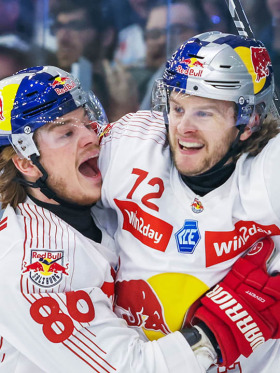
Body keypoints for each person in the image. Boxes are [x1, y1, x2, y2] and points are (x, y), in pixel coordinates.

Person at [0, 65, 221, 372]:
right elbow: (130, 368)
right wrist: (218, 330)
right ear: (26, 162)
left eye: (87, 121)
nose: (91, 136)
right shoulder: (30, 271)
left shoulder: (93, 200)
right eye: (66, 132)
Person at [92, 31, 280, 372]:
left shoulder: (269, 169)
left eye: (204, 114)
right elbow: (40, 181)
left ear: (250, 120)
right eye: (177, 108)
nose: (183, 128)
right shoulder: (133, 145)